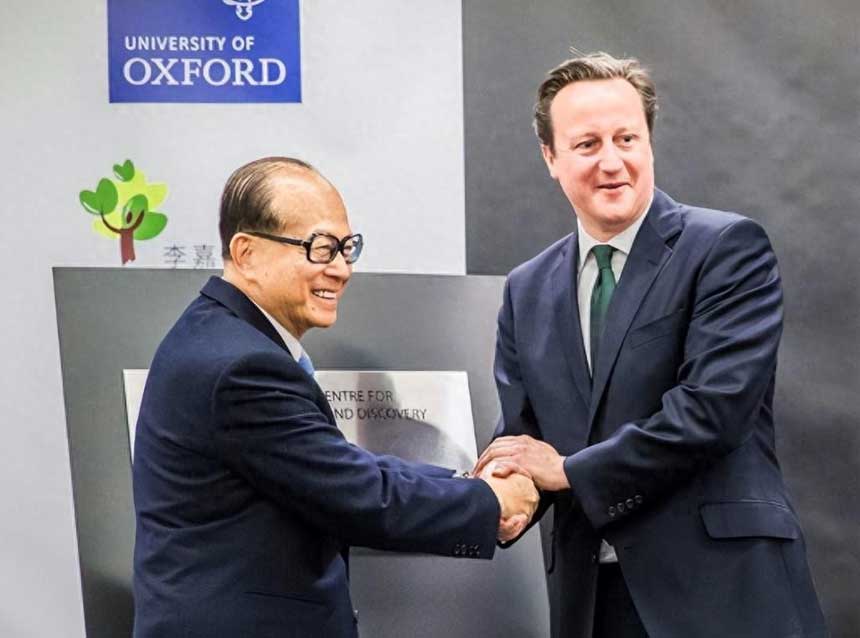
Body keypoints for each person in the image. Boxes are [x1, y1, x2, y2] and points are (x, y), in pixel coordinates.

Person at [474, 52, 828, 638]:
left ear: (649, 143)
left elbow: (712, 410)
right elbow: (522, 437)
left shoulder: (726, 248)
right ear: (550, 157)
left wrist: (567, 471)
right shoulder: (525, 288)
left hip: (721, 596)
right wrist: (502, 493)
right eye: (587, 144)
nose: (612, 162)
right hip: (591, 603)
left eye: (627, 139)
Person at [132, 157, 538, 638]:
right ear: (246, 253)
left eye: (347, 248)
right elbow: (357, 493)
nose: (342, 269)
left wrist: (470, 481)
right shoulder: (240, 365)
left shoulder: (225, 338)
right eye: (321, 248)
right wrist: (490, 502)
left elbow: (339, 465)